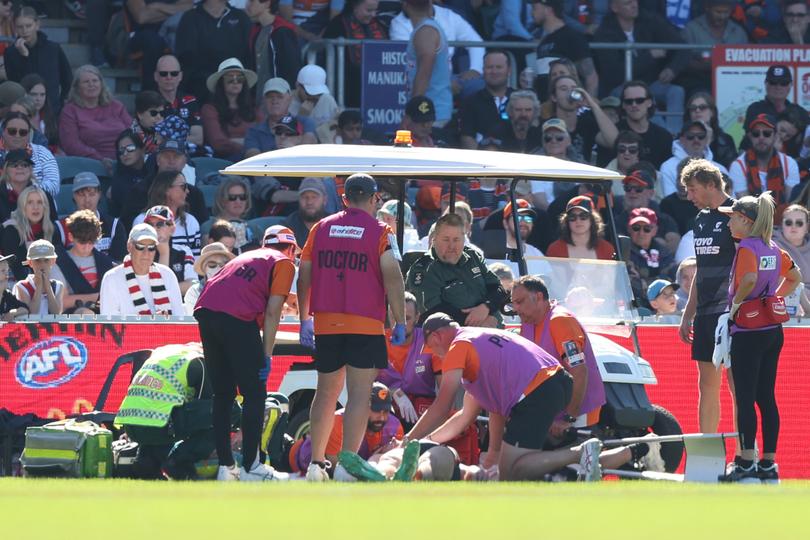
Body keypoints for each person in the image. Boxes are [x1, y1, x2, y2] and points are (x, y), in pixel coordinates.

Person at [405, 313, 647, 481]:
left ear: (436, 337)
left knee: (513, 472)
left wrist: (409, 440)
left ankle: (580, 452)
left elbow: (442, 403)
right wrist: (492, 451)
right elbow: (468, 415)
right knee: (516, 469)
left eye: (432, 348)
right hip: (553, 384)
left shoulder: (459, 345)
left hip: (537, 391)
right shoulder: (478, 340)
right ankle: (627, 453)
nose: (436, 355)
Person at [296, 173, 407, 482]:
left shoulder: (320, 228)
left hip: (327, 322)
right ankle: (346, 465)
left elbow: (303, 275)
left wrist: (305, 317)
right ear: (374, 199)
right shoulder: (380, 231)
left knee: (326, 393)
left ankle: (316, 464)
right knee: (359, 396)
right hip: (366, 324)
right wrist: (399, 319)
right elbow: (393, 277)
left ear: (344, 199)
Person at [194, 213, 298, 482]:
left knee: (224, 395)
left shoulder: (248, 257)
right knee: (254, 394)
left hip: (206, 312)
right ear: (291, 248)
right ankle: (253, 465)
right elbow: (273, 312)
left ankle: (226, 467)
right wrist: (266, 353)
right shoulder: (284, 262)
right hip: (236, 319)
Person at [718, 193, 802, 483]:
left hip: (748, 331)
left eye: (732, 217)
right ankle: (769, 463)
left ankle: (745, 463)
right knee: (766, 397)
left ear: (745, 220)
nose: (729, 223)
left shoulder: (746, 248)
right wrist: (773, 297)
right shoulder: (773, 247)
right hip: (771, 330)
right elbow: (796, 277)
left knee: (745, 397)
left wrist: (738, 305)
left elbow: (749, 280)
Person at [677, 159, 738, 436]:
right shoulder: (701, 219)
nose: (689, 196)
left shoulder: (740, 214)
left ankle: (743, 455)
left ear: (711, 185)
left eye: (692, 189)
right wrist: (688, 314)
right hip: (704, 313)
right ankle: (708, 452)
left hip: (731, 312)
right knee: (707, 386)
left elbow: (749, 263)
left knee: (738, 388)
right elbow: (701, 269)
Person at [511, 275, 607, 438]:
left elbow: (579, 371)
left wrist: (569, 417)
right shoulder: (528, 322)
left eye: (520, 302)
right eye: (513, 304)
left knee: (577, 461)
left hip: (576, 414)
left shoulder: (560, 321)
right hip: (550, 411)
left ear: (539, 297)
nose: (516, 309)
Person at [114, 343, 216, 480]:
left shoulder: (166, 352)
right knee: (225, 411)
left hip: (131, 425)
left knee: (168, 409)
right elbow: (207, 409)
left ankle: (146, 463)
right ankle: (179, 462)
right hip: (159, 425)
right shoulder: (201, 362)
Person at [593, 0, 689, 134]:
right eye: (628, 3)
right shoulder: (604, 32)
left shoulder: (649, 20)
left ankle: (675, 134)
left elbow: (682, 47)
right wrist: (649, 56)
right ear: (615, 7)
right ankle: (664, 136)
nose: (634, 5)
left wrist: (672, 69)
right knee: (644, 96)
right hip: (620, 87)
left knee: (676, 91)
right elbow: (615, 73)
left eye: (635, 1)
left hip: (651, 82)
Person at [406, 212, 509, 326]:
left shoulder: (473, 257)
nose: (451, 246)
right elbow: (431, 311)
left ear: (464, 240)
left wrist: (486, 307)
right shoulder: (423, 269)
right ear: (434, 241)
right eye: (446, 239)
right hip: (453, 337)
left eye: (456, 240)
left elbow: (498, 289)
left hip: (496, 330)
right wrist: (478, 322)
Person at [287, 382, 404, 476]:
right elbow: (337, 469)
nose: (382, 417)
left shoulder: (395, 427)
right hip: (298, 456)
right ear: (362, 407)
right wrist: (376, 458)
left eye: (386, 411)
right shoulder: (338, 422)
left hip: (360, 462)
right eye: (376, 410)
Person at [99, 224, 185, 316]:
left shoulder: (168, 275)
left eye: (151, 248)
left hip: (165, 330)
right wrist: (151, 323)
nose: (146, 253)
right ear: (129, 247)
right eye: (140, 247)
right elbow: (111, 327)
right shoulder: (112, 278)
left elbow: (178, 318)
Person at [175, 0, 252, 102]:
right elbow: (186, 60)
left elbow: (249, 57)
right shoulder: (190, 18)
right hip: (201, 89)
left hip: (236, 88)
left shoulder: (241, 17)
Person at [729, 114, 799, 219]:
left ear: (775, 136)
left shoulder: (789, 164)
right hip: (750, 225)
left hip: (782, 225)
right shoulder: (738, 166)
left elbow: (793, 203)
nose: (761, 138)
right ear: (750, 136)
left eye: (767, 133)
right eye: (756, 134)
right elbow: (745, 207)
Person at [3, 6, 72, 113]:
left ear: (37, 25)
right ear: (15, 28)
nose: (25, 31)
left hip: (52, 111)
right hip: (24, 111)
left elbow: (67, 80)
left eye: (28, 26)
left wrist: (61, 104)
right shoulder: (10, 53)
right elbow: (15, 84)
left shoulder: (53, 49)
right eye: (20, 27)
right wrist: (24, 57)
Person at [59, 65, 132, 165]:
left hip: (125, 159)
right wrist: (100, 159)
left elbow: (133, 133)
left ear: (101, 84)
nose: (91, 84)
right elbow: (71, 144)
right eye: (86, 82)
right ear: (77, 87)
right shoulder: (70, 111)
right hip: (89, 163)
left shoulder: (116, 106)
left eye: (95, 80)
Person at [323, 0, 387, 108]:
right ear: (355, 7)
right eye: (369, 10)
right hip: (348, 85)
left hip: (379, 83)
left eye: (375, 10)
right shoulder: (338, 24)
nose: (373, 14)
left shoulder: (380, 25)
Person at [542, 75, 618, 164]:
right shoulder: (548, 126)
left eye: (574, 89)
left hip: (582, 174)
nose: (569, 92)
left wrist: (592, 104)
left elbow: (614, 142)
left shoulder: (587, 123)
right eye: (564, 89)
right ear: (554, 97)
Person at [681, 0, 748, 95]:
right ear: (707, 8)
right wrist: (706, 66)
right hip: (699, 81)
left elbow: (746, 61)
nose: (722, 17)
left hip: (732, 81)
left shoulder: (739, 31)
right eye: (718, 12)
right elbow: (682, 61)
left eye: (726, 12)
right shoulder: (691, 29)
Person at [532, 0, 598, 97]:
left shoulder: (572, 37)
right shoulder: (543, 42)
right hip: (546, 107)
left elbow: (591, 77)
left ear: (548, 10)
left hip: (569, 105)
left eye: (535, 8)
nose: (531, 13)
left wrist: (588, 106)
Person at [124, 0, 194, 92]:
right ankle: (150, 94)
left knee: (190, 38)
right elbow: (142, 17)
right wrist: (175, 11)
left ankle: (184, 93)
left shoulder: (157, 6)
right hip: (141, 35)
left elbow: (189, 8)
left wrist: (157, 6)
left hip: (173, 32)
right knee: (153, 41)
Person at [57, 173, 125, 265]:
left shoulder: (114, 226)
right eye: (82, 195)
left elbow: (119, 262)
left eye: (92, 194)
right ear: (74, 196)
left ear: (99, 195)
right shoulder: (60, 228)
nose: (87, 200)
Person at [200, 58, 258, 161]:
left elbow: (263, 135)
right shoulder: (209, 109)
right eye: (230, 79)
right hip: (225, 161)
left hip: (255, 158)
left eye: (240, 79)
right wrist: (249, 147)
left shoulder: (253, 108)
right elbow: (218, 143)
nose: (235, 82)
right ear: (221, 82)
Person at [404, 0, 451, 125]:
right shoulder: (427, 28)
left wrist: (412, 113)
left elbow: (424, 74)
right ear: (431, 5)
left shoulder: (426, 32)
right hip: (429, 111)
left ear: (405, 5)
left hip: (428, 115)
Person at [133, 170, 202, 256]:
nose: (187, 191)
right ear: (166, 189)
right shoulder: (142, 221)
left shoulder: (191, 222)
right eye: (183, 186)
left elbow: (196, 261)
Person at [243, 78, 317, 158]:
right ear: (264, 100)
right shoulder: (254, 131)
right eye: (270, 97)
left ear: (290, 99)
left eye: (280, 97)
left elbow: (308, 149)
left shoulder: (305, 122)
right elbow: (252, 159)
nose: (274, 101)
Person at [1, 185, 58, 281]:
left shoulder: (52, 230)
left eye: (39, 202)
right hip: (16, 284)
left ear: (45, 207)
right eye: (30, 202)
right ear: (22, 206)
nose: (35, 207)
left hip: (47, 282)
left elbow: (58, 265)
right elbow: (17, 267)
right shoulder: (10, 229)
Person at [459, 49, 512, 150]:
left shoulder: (519, 99)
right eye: (489, 67)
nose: (494, 71)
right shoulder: (470, 102)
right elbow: (467, 138)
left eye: (499, 67)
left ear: (509, 70)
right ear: (483, 70)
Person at [660, 120, 730, 197]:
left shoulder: (720, 169)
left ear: (706, 139)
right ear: (682, 140)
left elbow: (729, 199)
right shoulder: (668, 167)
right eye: (690, 136)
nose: (696, 140)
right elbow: (669, 198)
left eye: (701, 136)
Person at [0, 111, 59, 198]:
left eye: (22, 132)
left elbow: (54, 186)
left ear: (29, 135)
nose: (17, 135)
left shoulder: (41, 152)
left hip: (40, 207)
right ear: (3, 132)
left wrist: (24, 192)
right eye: (12, 131)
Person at [615, 81, 674, 168]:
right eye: (629, 101)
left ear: (649, 102)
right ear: (623, 105)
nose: (634, 105)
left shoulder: (664, 137)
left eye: (639, 100)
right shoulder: (615, 133)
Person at [246, 0, 300, 95]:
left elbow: (292, 67)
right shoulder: (256, 31)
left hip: (280, 97)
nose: (247, 5)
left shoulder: (283, 31)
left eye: (252, 1)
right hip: (261, 98)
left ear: (267, 3)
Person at [743, 65, 809, 139]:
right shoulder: (755, 109)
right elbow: (748, 142)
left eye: (783, 83)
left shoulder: (800, 112)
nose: (778, 87)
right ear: (766, 83)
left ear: (790, 85)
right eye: (773, 82)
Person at [153, 55, 204, 149]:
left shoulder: (190, 100)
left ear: (180, 76)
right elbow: (152, 139)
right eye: (163, 74)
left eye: (174, 73)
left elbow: (198, 139)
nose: (169, 77)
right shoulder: (149, 102)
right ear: (156, 76)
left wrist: (168, 139)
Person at [144, 205, 196, 296]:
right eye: (150, 225)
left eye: (159, 224)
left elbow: (193, 285)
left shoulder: (183, 251)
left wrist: (165, 290)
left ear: (172, 229)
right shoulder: (140, 251)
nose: (154, 229)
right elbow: (154, 289)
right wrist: (164, 253)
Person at [0, 148, 57, 226]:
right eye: (14, 164)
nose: (20, 168)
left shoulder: (44, 196)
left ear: (31, 170)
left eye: (25, 165)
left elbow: (53, 227)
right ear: (6, 170)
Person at [546, 195, 615, 259]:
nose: (578, 221)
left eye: (583, 216)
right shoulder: (555, 249)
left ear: (592, 219)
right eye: (572, 217)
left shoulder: (607, 249)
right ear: (567, 221)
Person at [202, 176, 259, 253]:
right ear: (222, 200)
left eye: (242, 197)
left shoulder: (254, 228)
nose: (238, 201)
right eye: (232, 197)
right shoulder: (209, 227)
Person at [683, 92, 737, 169]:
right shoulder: (681, 139)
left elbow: (730, 169)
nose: (697, 110)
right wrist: (705, 143)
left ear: (712, 112)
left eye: (702, 107)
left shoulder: (725, 140)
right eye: (693, 108)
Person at [773, 204, 810, 315]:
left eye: (799, 223)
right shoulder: (772, 247)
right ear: (782, 225)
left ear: (807, 227)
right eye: (788, 223)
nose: (793, 226)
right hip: (785, 305)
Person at [12, 239, 64, 316]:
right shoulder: (22, 286)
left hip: (51, 328)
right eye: (37, 260)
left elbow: (56, 313)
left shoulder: (58, 286)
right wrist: (39, 286)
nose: (42, 264)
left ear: (53, 261)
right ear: (30, 262)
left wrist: (48, 287)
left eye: (46, 260)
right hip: (29, 328)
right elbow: (31, 313)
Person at [183, 241, 234, 315]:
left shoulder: (238, 289)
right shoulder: (194, 292)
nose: (219, 268)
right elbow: (198, 321)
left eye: (224, 264)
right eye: (212, 264)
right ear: (204, 268)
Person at [289, 64, 340, 132]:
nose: (314, 97)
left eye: (319, 93)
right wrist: (301, 117)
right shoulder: (286, 102)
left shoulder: (328, 100)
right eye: (309, 93)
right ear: (298, 86)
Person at [109, 130, 147, 218]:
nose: (125, 154)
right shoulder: (119, 181)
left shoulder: (152, 170)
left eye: (130, 148)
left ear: (142, 149)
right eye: (121, 151)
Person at [282, 177, 328, 247]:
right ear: (298, 199)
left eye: (314, 197)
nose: (309, 202)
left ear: (324, 200)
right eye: (304, 197)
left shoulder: (334, 224)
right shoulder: (288, 226)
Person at [20, 73, 59, 150]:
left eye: (42, 95)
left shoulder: (48, 116)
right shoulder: (18, 117)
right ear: (25, 95)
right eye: (33, 94)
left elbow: (54, 143)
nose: (38, 99)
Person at [0, 253, 28, 320]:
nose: (7, 275)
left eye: (8, 270)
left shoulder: (6, 294)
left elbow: (25, 309)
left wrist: (12, 313)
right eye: (3, 271)